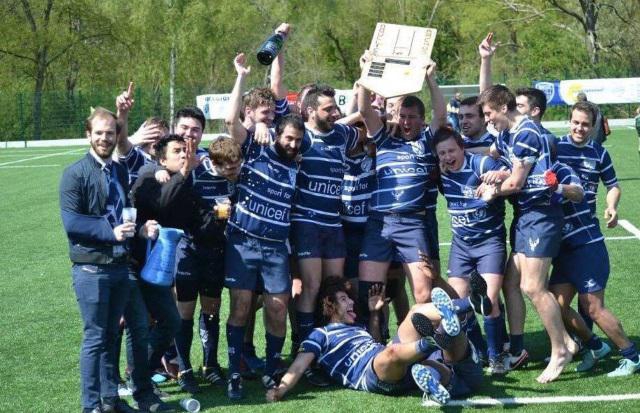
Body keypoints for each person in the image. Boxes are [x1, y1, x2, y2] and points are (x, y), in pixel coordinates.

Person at [60, 107, 159, 413]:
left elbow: (122, 211)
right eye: (99, 133)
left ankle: (111, 400)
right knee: (95, 338)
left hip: (118, 265)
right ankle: (91, 406)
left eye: (111, 133)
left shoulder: (117, 170)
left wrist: (139, 228)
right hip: (92, 268)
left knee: (110, 337)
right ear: (88, 134)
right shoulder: (75, 173)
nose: (105, 138)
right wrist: (110, 231)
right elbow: (72, 223)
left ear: (118, 136)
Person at [265, 276, 484, 405]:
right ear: (329, 306)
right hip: (370, 375)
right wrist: (281, 389)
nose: (351, 302)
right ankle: (435, 340)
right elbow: (300, 364)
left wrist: (375, 313)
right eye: (343, 299)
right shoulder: (320, 334)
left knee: (416, 312)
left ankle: (473, 303)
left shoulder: (358, 328)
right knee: (389, 355)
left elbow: (376, 343)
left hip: (394, 359)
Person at [356, 59, 446, 324]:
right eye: (402, 116)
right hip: (379, 223)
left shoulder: (427, 141)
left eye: (412, 117)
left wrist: (430, 78)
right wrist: (366, 73)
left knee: (423, 293)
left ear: (421, 120)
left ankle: (419, 345)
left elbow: (440, 115)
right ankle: (374, 345)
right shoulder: (385, 138)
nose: (406, 122)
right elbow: (364, 110)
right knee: (370, 291)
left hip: (412, 223)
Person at [548, 159, 640, 377]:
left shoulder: (561, 170)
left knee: (594, 308)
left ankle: (632, 356)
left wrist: (557, 187)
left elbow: (578, 193)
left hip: (586, 247)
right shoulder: (532, 174)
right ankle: (597, 346)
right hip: (564, 251)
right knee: (554, 306)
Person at [170, 106, 239, 393]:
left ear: (202, 132)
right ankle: (183, 366)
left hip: (217, 251)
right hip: (188, 248)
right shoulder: (175, 164)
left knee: (211, 308)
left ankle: (210, 364)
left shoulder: (221, 162)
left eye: (195, 129)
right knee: (184, 311)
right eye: (184, 128)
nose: (189, 134)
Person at [432, 127, 508, 374]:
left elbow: (511, 174)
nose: (447, 156)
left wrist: (496, 184)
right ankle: (480, 351)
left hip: (489, 243)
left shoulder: (481, 164)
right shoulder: (441, 172)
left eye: (451, 150)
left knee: (489, 300)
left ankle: (498, 357)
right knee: (459, 304)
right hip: (461, 246)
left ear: (462, 148)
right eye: (442, 153)